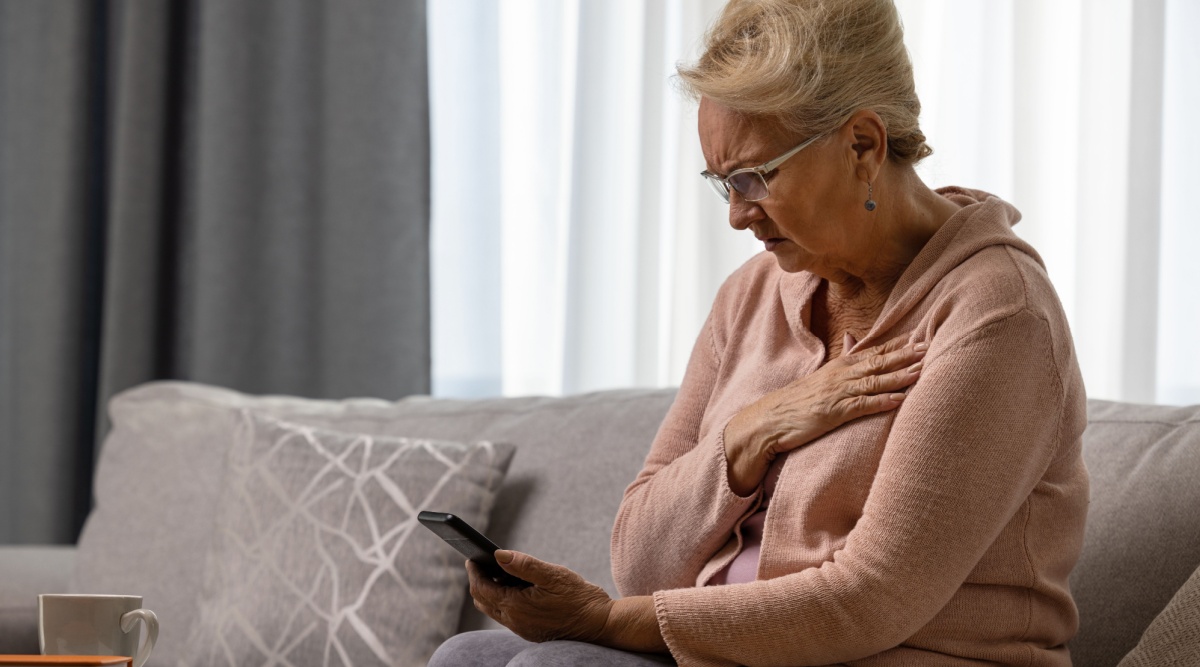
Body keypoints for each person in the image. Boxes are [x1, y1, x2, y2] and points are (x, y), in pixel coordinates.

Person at [429, 0, 1088, 664]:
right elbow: (639, 561)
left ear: (863, 144)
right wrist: (750, 432)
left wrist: (604, 622)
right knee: (466, 656)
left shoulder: (998, 314)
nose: (739, 215)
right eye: (723, 185)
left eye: (754, 177)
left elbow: (870, 598)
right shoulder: (751, 295)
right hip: (734, 653)